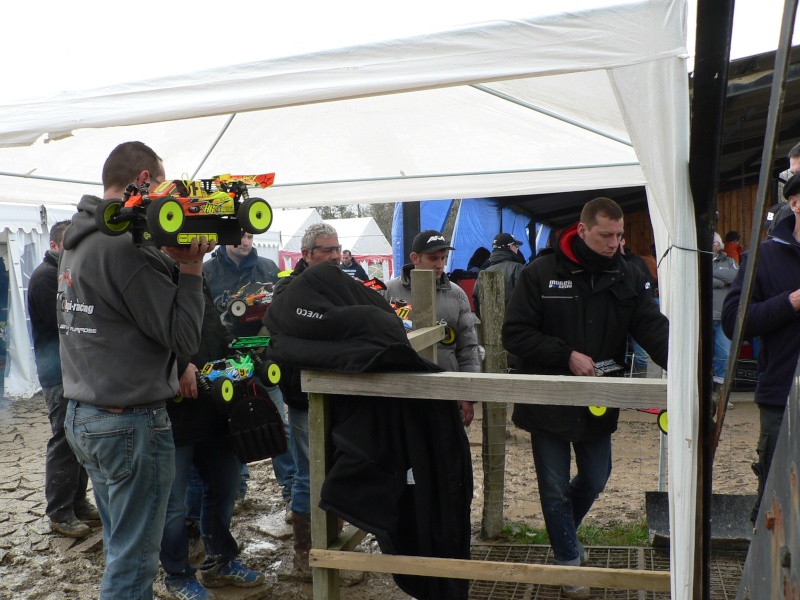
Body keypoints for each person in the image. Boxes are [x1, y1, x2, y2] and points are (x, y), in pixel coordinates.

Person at [58, 141, 213, 599]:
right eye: (162, 184)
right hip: (129, 423)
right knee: (133, 565)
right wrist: (190, 268)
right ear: (144, 180)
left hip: (85, 415)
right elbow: (184, 339)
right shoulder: (123, 248)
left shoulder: (78, 241)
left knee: (123, 548)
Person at [502, 197, 669, 600]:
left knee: (595, 478)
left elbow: (650, 327)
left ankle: (565, 539)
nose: (615, 243)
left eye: (620, 235)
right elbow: (515, 333)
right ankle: (569, 564)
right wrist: (565, 355)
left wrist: (687, 363)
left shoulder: (627, 275)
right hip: (547, 399)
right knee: (554, 487)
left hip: (597, 398)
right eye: (606, 235)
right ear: (582, 230)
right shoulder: (540, 273)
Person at [160, 264, 264, 600]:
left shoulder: (197, 276)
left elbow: (211, 331)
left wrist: (239, 353)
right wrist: (176, 365)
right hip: (171, 415)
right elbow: (143, 337)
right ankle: (177, 575)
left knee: (224, 487)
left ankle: (220, 560)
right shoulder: (152, 275)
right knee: (172, 505)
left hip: (213, 409)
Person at [262, 222, 343, 577]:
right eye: (327, 250)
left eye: (337, 249)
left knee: (336, 466)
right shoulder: (289, 291)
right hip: (304, 394)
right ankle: (306, 553)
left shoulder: (341, 286)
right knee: (310, 471)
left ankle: (331, 542)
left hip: (338, 392)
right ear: (306, 255)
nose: (335, 255)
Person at [722, 171, 800, 525]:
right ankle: (761, 576)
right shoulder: (763, 258)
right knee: (774, 495)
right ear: (795, 203)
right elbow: (735, 322)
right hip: (782, 395)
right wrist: (791, 302)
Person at [202, 230, 295, 515]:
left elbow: (283, 306)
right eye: (238, 236)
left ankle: (291, 484)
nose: (244, 241)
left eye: (249, 237)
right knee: (231, 423)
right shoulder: (207, 271)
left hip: (263, 356)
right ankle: (238, 486)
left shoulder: (267, 267)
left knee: (279, 421)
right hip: (226, 360)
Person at [28, 220, 98, 538]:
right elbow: (66, 325)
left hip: (75, 370)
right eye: (71, 244)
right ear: (56, 245)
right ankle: (59, 510)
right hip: (57, 374)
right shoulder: (46, 278)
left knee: (78, 438)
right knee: (63, 440)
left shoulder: (66, 274)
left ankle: (78, 502)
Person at [385, 230, 480, 427]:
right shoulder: (389, 292)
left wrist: (468, 394)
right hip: (402, 391)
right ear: (415, 258)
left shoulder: (457, 295)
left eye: (443, 258)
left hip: (446, 391)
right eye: (433, 258)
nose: (439, 265)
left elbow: (468, 346)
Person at [620, 236, 657, 375]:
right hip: (618, 314)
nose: (614, 242)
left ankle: (641, 381)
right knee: (618, 355)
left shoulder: (637, 261)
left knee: (641, 355)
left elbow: (648, 283)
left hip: (637, 311)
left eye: (618, 237)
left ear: (623, 241)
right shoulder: (606, 264)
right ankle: (619, 382)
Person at [472, 232, 526, 318]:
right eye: (517, 246)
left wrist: (487, 322)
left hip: (490, 328)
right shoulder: (518, 269)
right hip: (514, 327)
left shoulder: (484, 272)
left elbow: (476, 302)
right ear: (511, 247)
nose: (517, 249)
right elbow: (526, 301)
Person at [711, 232, 738, 399]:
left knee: (723, 354)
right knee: (702, 355)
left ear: (720, 244)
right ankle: (705, 393)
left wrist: (712, 274)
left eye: (715, 241)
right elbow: (698, 277)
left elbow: (735, 277)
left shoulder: (730, 261)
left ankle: (720, 394)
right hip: (702, 318)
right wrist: (721, 281)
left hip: (722, 316)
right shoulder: (697, 259)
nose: (712, 244)